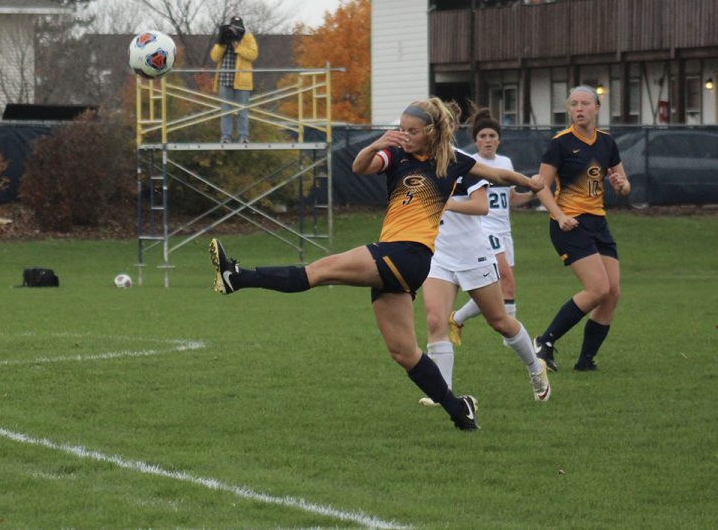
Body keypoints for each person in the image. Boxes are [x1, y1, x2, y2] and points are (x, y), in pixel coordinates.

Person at [208, 97, 544, 431]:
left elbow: (497, 174)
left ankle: (237, 276)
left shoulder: (452, 161)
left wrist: (529, 182)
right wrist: (377, 143)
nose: (404, 135)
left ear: (429, 132)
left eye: (411, 130)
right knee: (404, 352)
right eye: (401, 129)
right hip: (399, 258)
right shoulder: (395, 155)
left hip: (408, 253)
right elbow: (359, 166)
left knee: (319, 272)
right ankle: (460, 411)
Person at [419, 169, 550, 407]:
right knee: (435, 321)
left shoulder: (462, 163)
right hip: (439, 257)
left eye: (415, 131)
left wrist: (446, 203)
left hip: (474, 256)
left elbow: (481, 207)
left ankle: (535, 368)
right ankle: (443, 393)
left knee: (499, 321)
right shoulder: (417, 167)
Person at [533, 85, 630, 372]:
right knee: (598, 288)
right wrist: (559, 215)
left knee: (612, 293)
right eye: (574, 104)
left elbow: (624, 185)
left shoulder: (607, 142)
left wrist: (622, 186)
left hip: (597, 223)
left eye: (585, 103)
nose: (579, 109)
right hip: (570, 224)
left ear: (596, 108)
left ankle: (585, 361)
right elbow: (541, 186)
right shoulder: (560, 143)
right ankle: (545, 341)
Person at [448, 107, 535, 343]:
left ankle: (457, 318)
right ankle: (511, 340)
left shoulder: (505, 163)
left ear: (499, 139)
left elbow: (511, 198)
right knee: (506, 279)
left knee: (498, 290)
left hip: (504, 232)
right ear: (475, 141)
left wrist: (533, 194)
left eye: (491, 136)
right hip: (483, 231)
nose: (487, 140)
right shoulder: (471, 164)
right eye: (482, 136)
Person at [211, 15, 259, 143]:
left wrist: (238, 47)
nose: (234, 32)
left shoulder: (248, 38)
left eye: (237, 29)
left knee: (242, 111)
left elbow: (253, 55)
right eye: (233, 29)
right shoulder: (224, 38)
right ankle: (226, 136)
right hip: (225, 79)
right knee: (226, 110)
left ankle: (243, 136)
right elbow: (215, 57)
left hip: (242, 81)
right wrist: (222, 43)